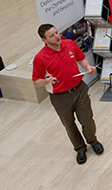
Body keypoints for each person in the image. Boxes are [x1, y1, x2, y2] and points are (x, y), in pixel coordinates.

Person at [32, 24, 103, 165]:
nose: (57, 36)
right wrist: (46, 81)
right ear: (44, 40)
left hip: (79, 89)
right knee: (69, 124)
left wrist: (87, 67)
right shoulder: (40, 58)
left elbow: (81, 58)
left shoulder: (70, 44)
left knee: (87, 120)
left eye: (57, 32)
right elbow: (36, 81)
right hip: (60, 97)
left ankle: (93, 141)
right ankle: (80, 148)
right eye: (52, 36)